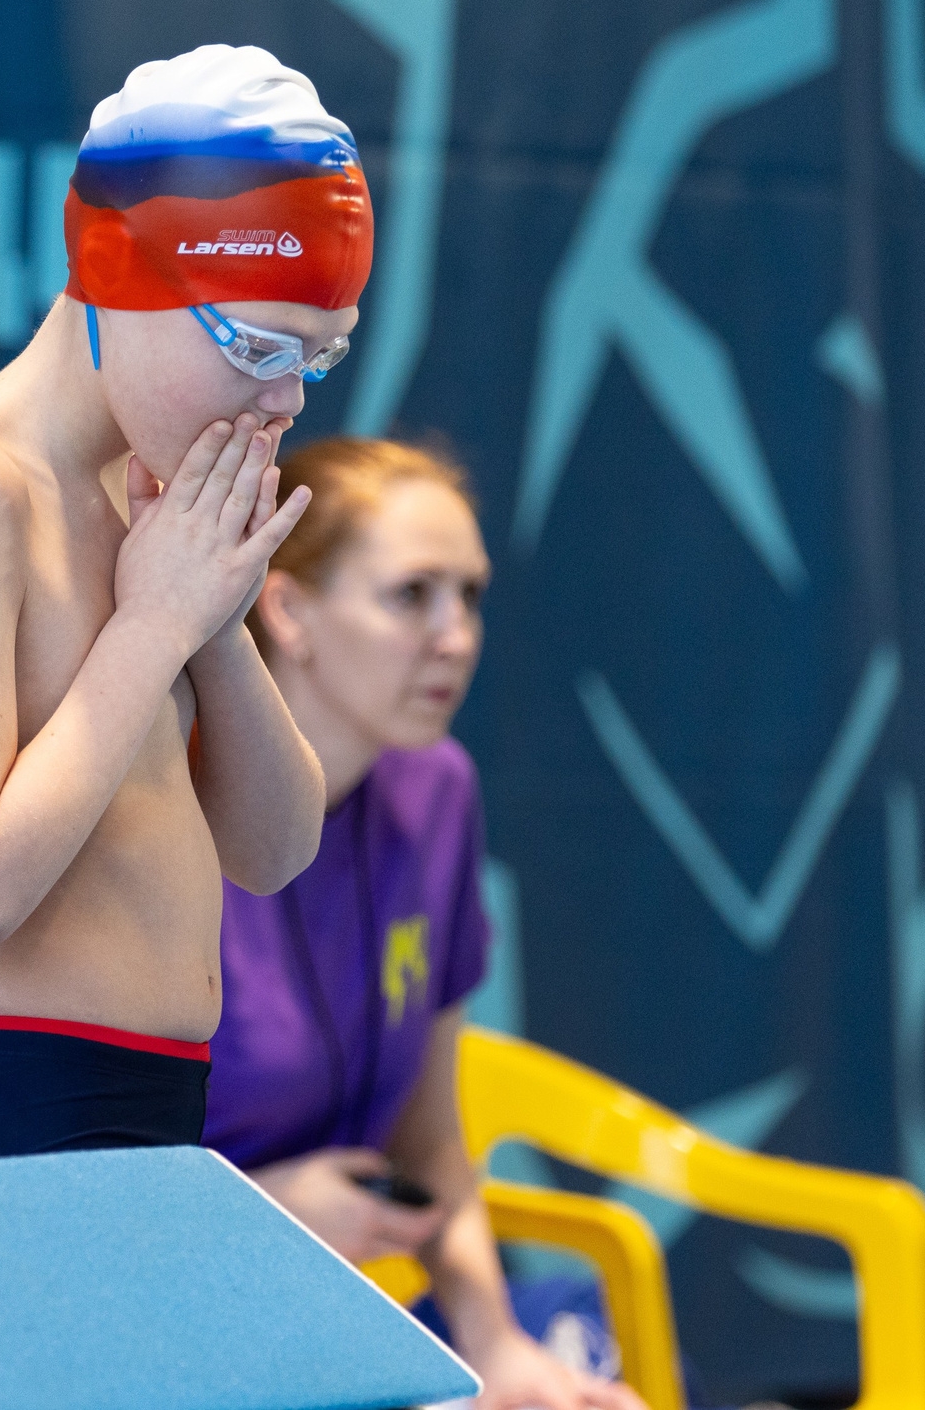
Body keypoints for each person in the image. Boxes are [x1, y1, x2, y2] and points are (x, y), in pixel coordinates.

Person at [0, 45, 366, 1166]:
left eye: (319, 358)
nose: (284, 398)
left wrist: (211, 625)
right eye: (257, 345)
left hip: (163, 1113)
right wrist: (151, 628)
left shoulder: (144, 506)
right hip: (8, 1117)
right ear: (111, 268)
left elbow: (276, 849)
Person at [208, 437, 644, 1410]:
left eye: (469, 595)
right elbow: (68, 1199)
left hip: (349, 1322)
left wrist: (498, 1349)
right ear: (286, 610)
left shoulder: (437, 790)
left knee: (581, 1364)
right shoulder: (166, 808)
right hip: (180, 1332)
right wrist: (266, 1215)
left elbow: (430, 1137)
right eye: (411, 595)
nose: (455, 636)